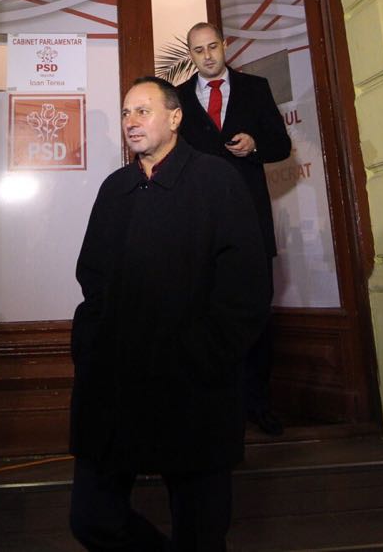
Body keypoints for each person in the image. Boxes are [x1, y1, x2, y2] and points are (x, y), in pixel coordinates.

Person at [69, 77, 269, 552]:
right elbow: (92, 279)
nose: (131, 122)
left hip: (194, 390)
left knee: (200, 535)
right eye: (125, 113)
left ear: (176, 118)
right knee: (93, 519)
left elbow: (246, 289)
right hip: (115, 387)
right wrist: (91, 348)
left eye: (143, 111)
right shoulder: (115, 188)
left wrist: (200, 355)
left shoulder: (216, 180)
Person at [175, 21, 292, 434]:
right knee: (203, 316)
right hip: (199, 226)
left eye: (213, 47)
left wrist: (255, 145)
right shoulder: (179, 99)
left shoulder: (255, 88)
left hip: (249, 222)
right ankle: (212, 406)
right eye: (198, 50)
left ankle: (258, 403)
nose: (207, 56)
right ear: (190, 55)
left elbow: (282, 145)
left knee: (256, 314)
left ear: (225, 46)